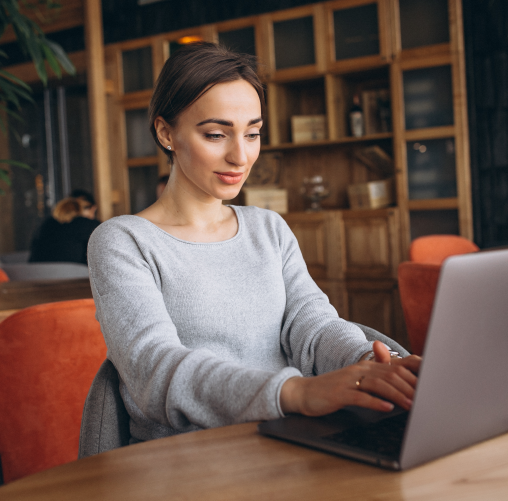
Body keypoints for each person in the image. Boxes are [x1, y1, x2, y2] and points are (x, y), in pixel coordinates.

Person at [87, 42, 421, 443]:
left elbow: (312, 326)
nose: (241, 156)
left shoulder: (269, 228)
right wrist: (294, 392)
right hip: (183, 457)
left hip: (286, 436)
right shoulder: (123, 241)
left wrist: (369, 362)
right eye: (215, 134)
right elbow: (155, 369)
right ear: (166, 132)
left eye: (253, 133)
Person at [29, 196, 100, 265]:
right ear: (79, 210)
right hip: (75, 273)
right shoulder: (87, 224)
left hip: (38, 273)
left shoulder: (45, 225)